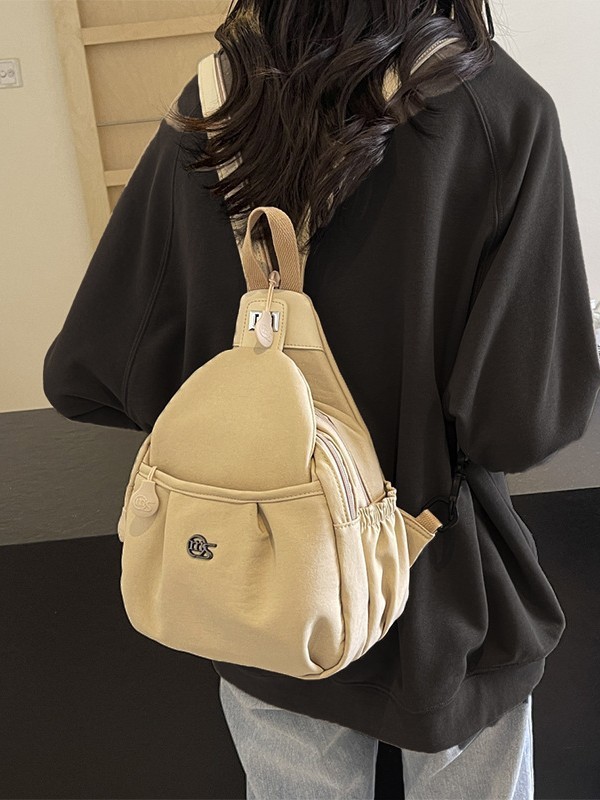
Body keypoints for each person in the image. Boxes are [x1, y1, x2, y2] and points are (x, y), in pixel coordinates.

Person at [42, 1, 600, 798]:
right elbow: (518, 424)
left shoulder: (218, 101)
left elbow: (94, 368)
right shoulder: (500, 110)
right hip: (441, 584)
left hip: (264, 583)